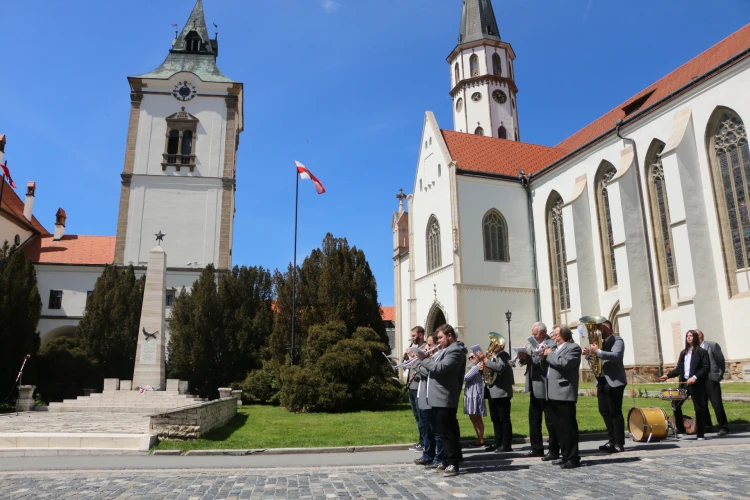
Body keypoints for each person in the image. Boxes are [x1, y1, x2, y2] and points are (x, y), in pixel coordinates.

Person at [414, 324, 467, 477]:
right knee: (442, 431)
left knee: (449, 431)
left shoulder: (456, 351)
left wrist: (423, 359)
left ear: (450, 336)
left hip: (445, 397)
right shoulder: (445, 350)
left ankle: (453, 462)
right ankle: (446, 459)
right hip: (436, 397)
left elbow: (439, 368)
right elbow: (432, 369)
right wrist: (421, 360)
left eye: (441, 338)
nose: (438, 341)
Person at [582, 319, 627, 453]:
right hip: (601, 379)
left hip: (614, 381)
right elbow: (594, 359)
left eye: (599, 328)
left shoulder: (617, 340)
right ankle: (611, 439)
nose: (596, 331)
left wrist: (598, 351)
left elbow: (616, 355)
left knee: (615, 412)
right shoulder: (599, 342)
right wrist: (589, 353)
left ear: (606, 327)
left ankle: (619, 442)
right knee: (604, 411)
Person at [517, 322, 559, 460]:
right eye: (532, 334)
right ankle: (536, 448)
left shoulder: (551, 343)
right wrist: (523, 357)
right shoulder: (531, 343)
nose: (533, 336)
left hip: (545, 386)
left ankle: (554, 449)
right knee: (534, 420)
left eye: (535, 334)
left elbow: (545, 363)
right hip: (534, 386)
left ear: (543, 332)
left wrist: (530, 357)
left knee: (550, 421)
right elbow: (528, 362)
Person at [543, 324, 582, 469]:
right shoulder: (555, 348)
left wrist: (549, 354)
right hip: (553, 393)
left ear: (564, 335)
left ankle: (573, 457)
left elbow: (564, 363)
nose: (554, 337)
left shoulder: (573, 348)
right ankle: (564, 455)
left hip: (565, 392)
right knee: (558, 428)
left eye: (557, 335)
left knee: (568, 427)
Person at [660, 330, 711, 440]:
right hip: (684, 384)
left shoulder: (702, 352)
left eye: (691, 336)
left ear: (696, 338)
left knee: (699, 408)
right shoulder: (684, 353)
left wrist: (695, 377)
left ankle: (700, 433)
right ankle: (681, 430)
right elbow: (679, 369)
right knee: (676, 404)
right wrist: (667, 376)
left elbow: (706, 368)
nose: (688, 337)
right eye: (687, 336)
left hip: (697, 384)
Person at [413, 333, 445, 470]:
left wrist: (419, 363)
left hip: (430, 397)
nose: (428, 348)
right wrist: (417, 361)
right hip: (422, 396)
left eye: (430, 345)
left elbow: (427, 372)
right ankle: (428, 454)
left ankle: (437, 457)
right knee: (425, 428)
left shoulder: (437, 357)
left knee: (435, 430)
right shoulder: (430, 358)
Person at [477, 340, 514, 453]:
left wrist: (485, 360)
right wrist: (481, 369)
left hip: (501, 392)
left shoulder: (503, 355)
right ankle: (498, 442)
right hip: (492, 390)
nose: (492, 346)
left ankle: (506, 444)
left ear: (501, 346)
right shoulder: (492, 356)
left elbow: (500, 367)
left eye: (495, 344)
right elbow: (488, 372)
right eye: (492, 343)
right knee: (495, 418)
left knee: (503, 418)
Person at [697, 329, 729, 436]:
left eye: (696, 335)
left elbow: (720, 360)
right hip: (699, 380)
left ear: (702, 336)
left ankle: (723, 427)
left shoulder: (712, 345)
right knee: (702, 404)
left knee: (717, 404)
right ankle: (707, 426)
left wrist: (719, 374)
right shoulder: (692, 349)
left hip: (711, 378)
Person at [405, 326, 426, 453]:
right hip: (412, 386)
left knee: (422, 416)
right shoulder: (413, 348)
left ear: (420, 335)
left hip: (419, 386)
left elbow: (423, 364)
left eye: (414, 335)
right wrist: (407, 359)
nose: (412, 338)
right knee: (416, 416)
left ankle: (424, 442)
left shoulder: (424, 348)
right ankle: (421, 440)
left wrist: (413, 355)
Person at [463, 353, 486, 447]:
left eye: (472, 356)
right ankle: (480, 438)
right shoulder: (475, 366)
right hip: (471, 393)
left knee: (476, 417)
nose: (471, 359)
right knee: (474, 417)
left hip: (474, 393)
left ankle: (480, 440)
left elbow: (466, 378)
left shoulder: (476, 367)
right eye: (469, 357)